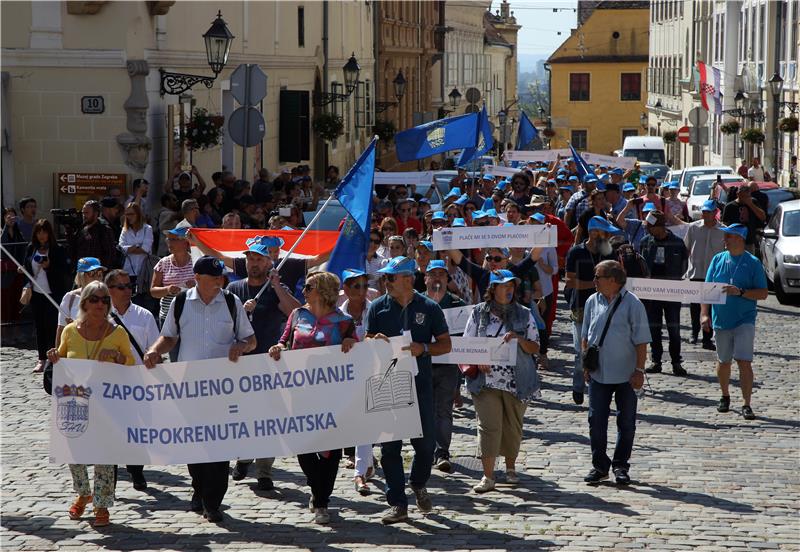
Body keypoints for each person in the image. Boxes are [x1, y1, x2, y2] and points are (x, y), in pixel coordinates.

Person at [143, 256, 256, 523]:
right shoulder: (181, 302)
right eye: (214, 278)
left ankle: (213, 502)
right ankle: (199, 490)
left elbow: (251, 338)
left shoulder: (231, 302)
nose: (219, 282)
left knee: (218, 447)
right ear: (198, 278)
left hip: (222, 388)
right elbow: (169, 336)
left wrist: (242, 346)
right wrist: (154, 350)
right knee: (194, 446)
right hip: (189, 387)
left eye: (220, 278)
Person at [365, 256, 452, 524]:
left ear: (407, 279)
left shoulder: (429, 307)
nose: (386, 282)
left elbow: (446, 345)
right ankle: (398, 504)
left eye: (391, 278)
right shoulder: (378, 308)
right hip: (388, 385)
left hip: (421, 386)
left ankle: (417, 482)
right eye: (386, 278)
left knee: (425, 446)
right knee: (390, 449)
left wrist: (423, 349)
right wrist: (372, 340)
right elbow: (367, 339)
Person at [268, 271, 357, 524]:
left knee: (330, 450)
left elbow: (358, 351)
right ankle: (317, 489)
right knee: (304, 445)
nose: (303, 291)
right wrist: (277, 348)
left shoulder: (343, 320)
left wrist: (352, 341)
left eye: (308, 287)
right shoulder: (298, 315)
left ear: (324, 290)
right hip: (300, 393)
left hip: (332, 395)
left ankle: (321, 501)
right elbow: (284, 341)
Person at [46, 281, 135, 527]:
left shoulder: (117, 332)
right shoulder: (70, 331)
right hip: (75, 403)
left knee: (103, 457)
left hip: (107, 405)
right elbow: (62, 357)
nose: (100, 304)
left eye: (105, 300)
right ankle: (83, 492)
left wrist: (117, 357)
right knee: (74, 454)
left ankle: (102, 504)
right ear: (84, 302)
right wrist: (54, 356)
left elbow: (130, 364)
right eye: (95, 299)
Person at [227, 239, 301, 491]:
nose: (253, 263)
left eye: (259, 259)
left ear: (269, 262)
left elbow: (296, 313)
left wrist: (277, 285)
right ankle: (244, 457)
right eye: (250, 259)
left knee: (269, 418)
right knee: (244, 417)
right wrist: (240, 310)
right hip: (241, 363)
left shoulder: (275, 288)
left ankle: (265, 470)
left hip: (270, 361)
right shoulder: (235, 289)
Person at [463, 270, 540, 493]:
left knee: (512, 426)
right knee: (488, 426)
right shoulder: (478, 313)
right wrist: (479, 359)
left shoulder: (524, 314)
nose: (508, 290)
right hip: (486, 381)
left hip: (517, 379)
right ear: (493, 289)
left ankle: (510, 468)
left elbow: (535, 346)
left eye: (511, 286)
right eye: (503, 286)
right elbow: (467, 343)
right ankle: (488, 476)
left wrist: (519, 339)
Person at [581, 260, 650, 486]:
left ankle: (620, 465)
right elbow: (585, 336)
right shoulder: (592, 301)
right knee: (596, 420)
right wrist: (585, 365)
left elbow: (641, 342)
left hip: (626, 374)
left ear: (612, 280)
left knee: (626, 422)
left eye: (598, 276)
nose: (594, 281)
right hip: (599, 374)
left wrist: (639, 371)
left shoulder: (633, 304)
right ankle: (599, 466)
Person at [701, 224, 768, 420]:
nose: (725, 240)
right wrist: (704, 315)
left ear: (739, 238)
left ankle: (747, 403)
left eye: (729, 237)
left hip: (744, 319)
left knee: (744, 361)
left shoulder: (753, 263)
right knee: (724, 361)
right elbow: (707, 290)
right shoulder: (717, 259)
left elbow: (763, 293)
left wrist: (740, 292)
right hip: (721, 319)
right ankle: (725, 395)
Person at [105, 269, 160, 491]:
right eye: (122, 287)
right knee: (110, 431)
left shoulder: (144, 315)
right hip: (108, 383)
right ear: (109, 290)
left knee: (136, 430)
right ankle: (111, 479)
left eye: (130, 286)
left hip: (137, 380)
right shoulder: (100, 315)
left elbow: (155, 346)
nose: (128, 291)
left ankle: (136, 470)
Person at [565, 216, 619, 405]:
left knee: (602, 349)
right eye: (604, 232)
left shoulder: (609, 252)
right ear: (593, 232)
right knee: (581, 351)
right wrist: (596, 285)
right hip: (580, 307)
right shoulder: (576, 252)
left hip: (604, 308)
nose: (607, 236)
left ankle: (598, 388)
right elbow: (570, 281)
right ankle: (578, 386)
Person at [424, 260, 466, 473]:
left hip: (448, 366)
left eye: (442, 274)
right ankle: (425, 450)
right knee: (425, 411)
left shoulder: (458, 305)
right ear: (426, 278)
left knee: (444, 410)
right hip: (422, 364)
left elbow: (462, 344)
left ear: (447, 279)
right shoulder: (416, 302)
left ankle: (442, 452)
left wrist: (460, 381)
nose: (437, 278)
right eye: (433, 274)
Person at [337, 269, 377, 495]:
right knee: (360, 425)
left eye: (364, 286)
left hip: (375, 374)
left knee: (370, 424)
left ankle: (363, 468)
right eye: (355, 286)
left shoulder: (377, 310)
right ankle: (362, 470)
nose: (361, 291)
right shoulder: (337, 317)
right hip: (347, 378)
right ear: (345, 289)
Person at [638, 211, 689, 376]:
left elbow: (683, 265)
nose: (648, 230)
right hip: (651, 293)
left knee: (673, 328)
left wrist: (672, 280)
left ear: (660, 227)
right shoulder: (645, 242)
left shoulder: (677, 243)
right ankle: (656, 361)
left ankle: (676, 362)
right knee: (654, 328)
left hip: (672, 292)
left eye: (651, 227)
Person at [24, 219, 70, 372]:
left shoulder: (57, 249)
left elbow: (64, 271)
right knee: (39, 326)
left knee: (52, 326)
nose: (42, 235)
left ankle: (53, 357)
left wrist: (49, 267)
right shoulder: (31, 248)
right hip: (37, 293)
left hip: (53, 293)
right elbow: (27, 268)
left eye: (44, 232)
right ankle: (41, 358)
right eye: (39, 232)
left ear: (49, 233)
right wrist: (26, 282)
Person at [683, 200, 726, 349]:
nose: (705, 214)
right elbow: (686, 248)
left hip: (714, 274)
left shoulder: (723, 230)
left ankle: (707, 338)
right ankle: (694, 332)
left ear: (715, 213)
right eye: (704, 212)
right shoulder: (693, 228)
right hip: (696, 272)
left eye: (708, 212)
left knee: (712, 307)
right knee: (695, 306)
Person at [150, 227, 195, 355]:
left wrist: (196, 287)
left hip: (193, 317)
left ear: (186, 242)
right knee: (174, 358)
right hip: (169, 318)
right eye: (168, 239)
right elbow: (153, 291)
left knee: (193, 357)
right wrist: (167, 289)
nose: (169, 243)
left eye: (174, 239)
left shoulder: (196, 261)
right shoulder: (162, 263)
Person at [55, 257, 108, 362]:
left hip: (101, 353)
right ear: (81, 276)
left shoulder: (107, 297)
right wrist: (58, 357)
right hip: (76, 353)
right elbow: (61, 329)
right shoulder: (70, 298)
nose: (97, 276)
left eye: (99, 272)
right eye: (92, 273)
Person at [119, 202, 154, 294]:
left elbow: (146, 249)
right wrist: (137, 246)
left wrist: (130, 249)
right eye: (127, 214)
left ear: (138, 214)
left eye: (131, 214)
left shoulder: (147, 229)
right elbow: (121, 248)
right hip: (128, 270)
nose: (128, 217)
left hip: (144, 270)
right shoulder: (125, 230)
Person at [72, 200, 118, 269]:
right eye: (83, 213)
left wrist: (102, 271)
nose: (84, 215)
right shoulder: (81, 229)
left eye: (87, 213)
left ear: (96, 213)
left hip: (97, 272)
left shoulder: (104, 230)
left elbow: (110, 254)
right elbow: (74, 249)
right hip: (82, 271)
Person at [721, 185, 766, 254]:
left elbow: (763, 217)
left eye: (747, 196)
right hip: (734, 241)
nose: (745, 199)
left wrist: (751, 205)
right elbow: (725, 225)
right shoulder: (730, 206)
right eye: (743, 196)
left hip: (749, 240)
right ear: (738, 194)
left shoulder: (753, 202)